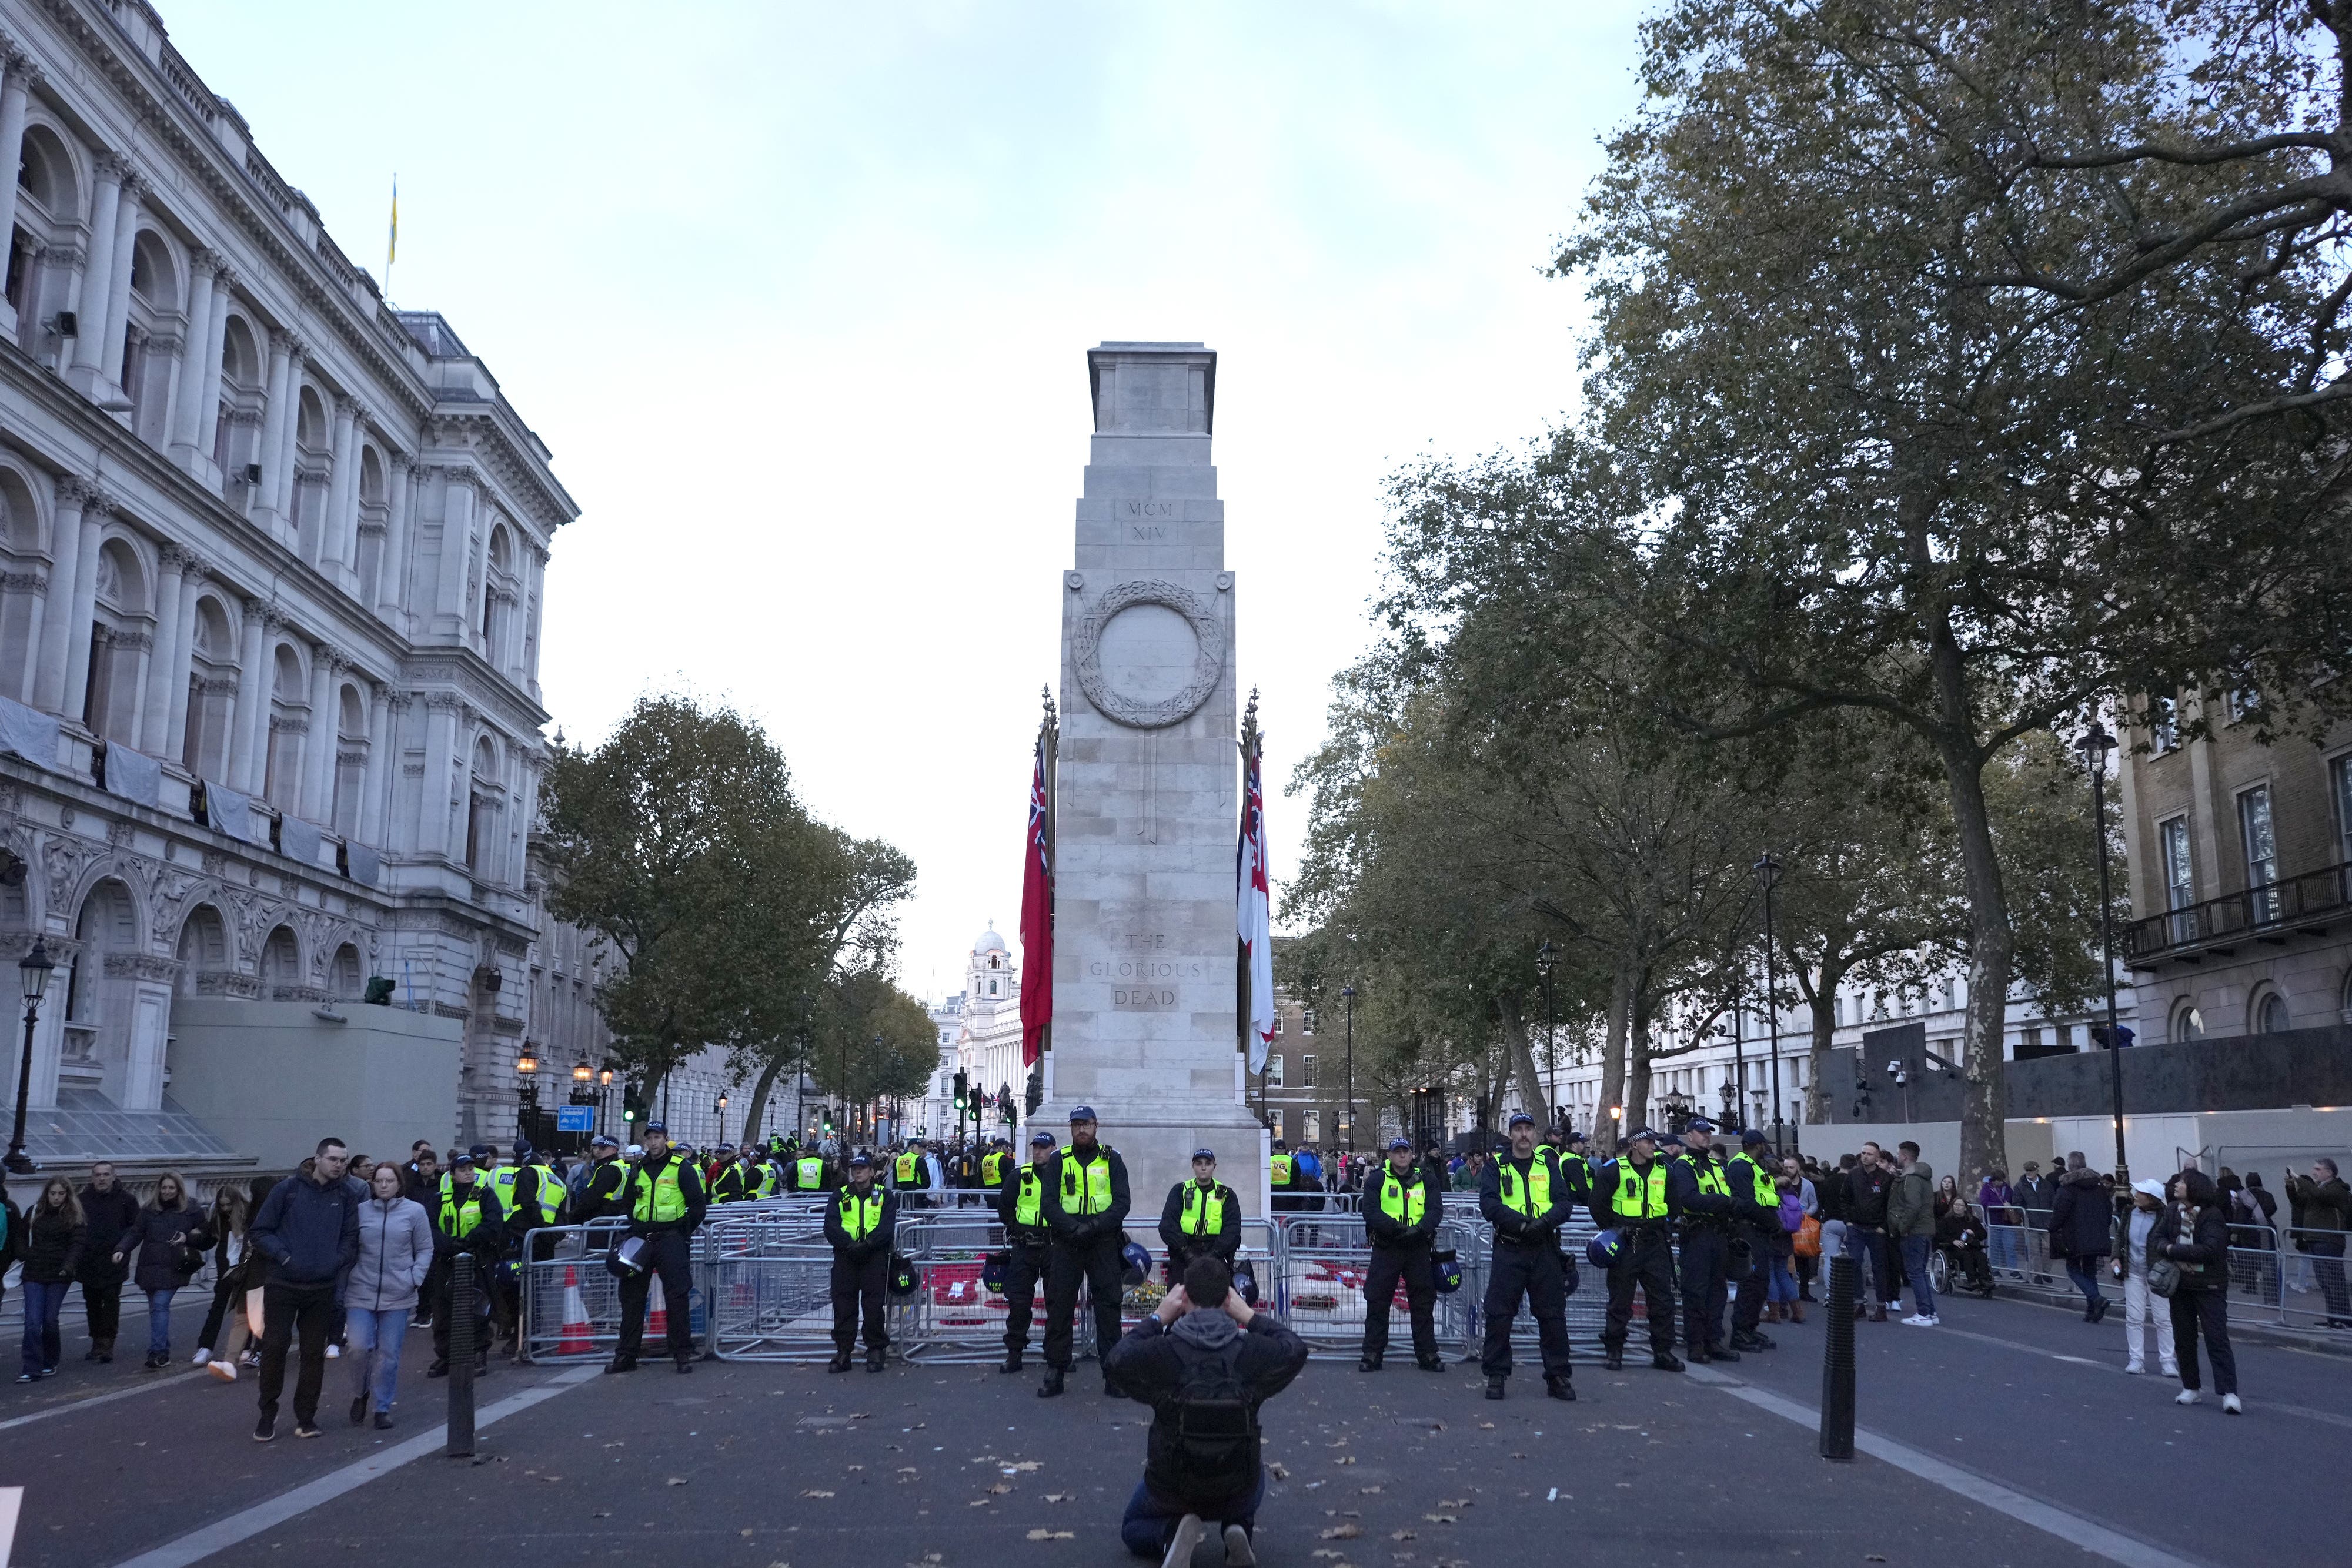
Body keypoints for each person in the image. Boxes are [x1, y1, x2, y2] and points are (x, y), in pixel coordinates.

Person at [1105, 1252, 1309, 1566]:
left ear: (1183, 1297)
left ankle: (1172, 1533)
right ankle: (1238, 1529)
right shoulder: (1250, 1353)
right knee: (1253, 1472)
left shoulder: (1163, 1353)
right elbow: (1295, 1350)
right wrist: (1250, 1317)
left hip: (1173, 1486)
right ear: (1228, 1299)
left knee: (1133, 1528)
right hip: (1237, 1484)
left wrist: (1158, 1317)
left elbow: (1116, 1362)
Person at [248, 1138, 362, 1441]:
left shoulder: (348, 1196)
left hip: (322, 1286)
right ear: (318, 1159)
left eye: (344, 1160)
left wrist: (335, 1262)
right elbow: (259, 1231)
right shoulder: (287, 1190)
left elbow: (351, 1238)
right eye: (334, 1159)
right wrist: (284, 1256)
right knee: (274, 1347)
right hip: (282, 1283)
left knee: (313, 1354)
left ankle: (306, 1417)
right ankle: (267, 1413)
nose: (339, 1165)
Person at [1477, 1111, 1576, 1400]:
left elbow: (1563, 1202)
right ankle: (1496, 1375)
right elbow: (1490, 1204)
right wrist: (1520, 1225)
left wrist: (1544, 1224)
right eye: (1517, 1129)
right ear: (1511, 1134)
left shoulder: (1549, 1164)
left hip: (1544, 1248)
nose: (1523, 1134)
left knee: (1553, 1315)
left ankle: (1558, 1376)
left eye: (1527, 1129)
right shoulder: (1496, 1166)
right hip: (1510, 1247)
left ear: (1535, 1134)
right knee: (1499, 1314)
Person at [1037, 1106, 1132, 1399]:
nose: (1081, 1130)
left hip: (1102, 1241)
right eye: (1076, 1125)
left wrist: (1093, 1227)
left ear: (1096, 1126)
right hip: (1067, 1242)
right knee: (1060, 1306)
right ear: (1070, 1128)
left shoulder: (1112, 1159)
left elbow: (1122, 1203)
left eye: (1086, 1124)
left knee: (1108, 1306)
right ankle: (1056, 1370)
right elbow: (1048, 1203)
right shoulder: (1058, 1160)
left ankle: (1113, 1374)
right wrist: (1072, 1228)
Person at [609, 1121, 707, 1374]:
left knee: (677, 1297)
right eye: (649, 1138)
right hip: (641, 1238)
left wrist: (683, 1232)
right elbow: (629, 1201)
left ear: (666, 1139)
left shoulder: (681, 1168)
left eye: (657, 1137)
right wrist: (636, 1225)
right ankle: (627, 1355)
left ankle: (682, 1354)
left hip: (671, 1238)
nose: (653, 1143)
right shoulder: (637, 1168)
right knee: (632, 1299)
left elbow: (697, 1205)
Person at [345, 1161, 432, 1429]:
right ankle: (361, 1393)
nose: (383, 1185)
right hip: (361, 1290)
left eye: (389, 1181)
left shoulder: (414, 1212)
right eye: (379, 1181)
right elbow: (347, 1247)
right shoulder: (359, 1212)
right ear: (372, 1184)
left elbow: (425, 1248)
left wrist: (414, 1278)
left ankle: (382, 1406)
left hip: (398, 1293)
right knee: (358, 1349)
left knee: (389, 1354)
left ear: (398, 1184)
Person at [1591, 1128, 1682, 1372]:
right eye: (1649, 1142)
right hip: (1626, 1244)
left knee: (1662, 1300)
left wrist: (1663, 1225)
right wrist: (1615, 1230)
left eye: (1655, 1142)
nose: (1654, 1146)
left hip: (1655, 1243)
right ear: (1634, 1145)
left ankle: (1663, 1351)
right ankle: (1614, 1350)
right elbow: (1597, 1205)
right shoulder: (1614, 1170)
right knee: (1620, 1301)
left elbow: (1674, 1205)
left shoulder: (1665, 1171)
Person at [1358, 1135, 1445, 1373]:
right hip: (1388, 1246)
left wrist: (1419, 1229)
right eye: (1397, 1152)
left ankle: (1428, 1354)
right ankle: (1372, 1353)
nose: (1402, 1156)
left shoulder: (1426, 1179)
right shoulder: (1378, 1179)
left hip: (1418, 1247)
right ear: (1390, 1155)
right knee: (1377, 1300)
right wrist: (1395, 1228)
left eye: (1406, 1151)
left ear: (1412, 1154)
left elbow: (1436, 1210)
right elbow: (1370, 1212)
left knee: (1423, 1302)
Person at [2156, 1168, 2240, 1412]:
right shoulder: (2172, 1210)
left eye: (2182, 1182)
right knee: (2183, 1338)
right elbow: (2157, 1238)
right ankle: (2191, 1387)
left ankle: (2230, 1393)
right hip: (2180, 1285)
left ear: (2194, 1188)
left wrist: (2172, 1250)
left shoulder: (2212, 1216)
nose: (2176, 1185)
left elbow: (2210, 1249)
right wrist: (2168, 1247)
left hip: (2209, 1285)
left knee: (2216, 1338)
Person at [115, 1171, 211, 1370]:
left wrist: (188, 1238)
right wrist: (121, 1249)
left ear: (179, 1190)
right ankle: (163, 1348)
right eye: (164, 1188)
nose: (167, 1192)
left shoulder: (192, 1210)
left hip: (174, 1266)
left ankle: (157, 1352)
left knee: (160, 1306)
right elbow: (135, 1233)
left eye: (171, 1188)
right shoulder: (149, 1210)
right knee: (156, 1309)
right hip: (150, 1266)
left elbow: (207, 1237)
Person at [1666, 1118, 1739, 1361]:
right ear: (1690, 1136)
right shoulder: (1683, 1165)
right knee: (1696, 1290)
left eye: (1709, 1132)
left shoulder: (1718, 1166)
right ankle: (1695, 1343)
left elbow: (1730, 1194)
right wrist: (1724, 1203)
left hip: (1719, 1233)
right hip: (1697, 1233)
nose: (1707, 1136)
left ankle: (1713, 1340)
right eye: (1701, 1133)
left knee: (1717, 1290)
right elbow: (1689, 1199)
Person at [426, 1150, 504, 1378]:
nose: (469, 1173)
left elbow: (493, 1223)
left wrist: (468, 1242)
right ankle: (445, 1355)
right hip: (447, 1261)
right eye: (463, 1170)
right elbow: (429, 1227)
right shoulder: (440, 1198)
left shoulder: (485, 1195)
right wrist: (450, 1245)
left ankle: (479, 1353)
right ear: (452, 1174)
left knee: (479, 1310)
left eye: (471, 1169)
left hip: (477, 1259)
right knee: (442, 1311)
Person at [824, 1151, 896, 1373]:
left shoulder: (885, 1195)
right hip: (846, 1256)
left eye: (862, 1169)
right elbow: (831, 1226)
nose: (858, 1172)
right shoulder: (840, 1195)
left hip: (874, 1256)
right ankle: (844, 1351)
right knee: (844, 1304)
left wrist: (868, 1245)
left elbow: (886, 1227)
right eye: (855, 1169)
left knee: (874, 1305)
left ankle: (875, 1349)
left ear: (872, 1172)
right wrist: (849, 1245)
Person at [995, 1130, 1057, 1374]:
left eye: (1043, 1147)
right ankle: (1015, 1353)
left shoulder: (1062, 1176)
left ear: (1053, 1149)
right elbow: (1005, 1207)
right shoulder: (1020, 1176)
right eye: (1035, 1148)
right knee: (1019, 1303)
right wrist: (1017, 1229)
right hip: (1025, 1246)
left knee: (1057, 1303)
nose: (1038, 1151)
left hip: (1053, 1246)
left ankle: (1056, 1354)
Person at [15, 1178, 83, 1383]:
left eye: (60, 1194)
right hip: (34, 1271)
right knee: (33, 1322)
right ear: (47, 1194)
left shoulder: (74, 1217)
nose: (56, 1198)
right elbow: (19, 1236)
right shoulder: (34, 1212)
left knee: (50, 1320)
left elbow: (77, 1244)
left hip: (59, 1274)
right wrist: (25, 1254)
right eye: (53, 1193)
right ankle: (31, 1367)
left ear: (67, 1195)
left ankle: (50, 1360)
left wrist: (68, 1266)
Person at [74, 1161, 140, 1365]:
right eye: (98, 1175)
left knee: (111, 1300)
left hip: (114, 1259)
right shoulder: (82, 1200)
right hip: (89, 1260)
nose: (101, 1179)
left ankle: (108, 1342)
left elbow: (135, 1228)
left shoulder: (127, 1200)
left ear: (114, 1176)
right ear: (92, 1177)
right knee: (92, 1302)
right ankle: (96, 1340)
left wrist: (122, 1247)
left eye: (105, 1174)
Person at [1725, 1130, 1783, 1351]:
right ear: (1759, 1145)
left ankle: (1749, 1328)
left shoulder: (1753, 1165)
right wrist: (1772, 1221)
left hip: (1760, 1229)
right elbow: (1747, 1202)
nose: (1766, 1149)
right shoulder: (1741, 1166)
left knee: (1760, 1283)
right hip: (1750, 1230)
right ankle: (1740, 1332)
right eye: (1764, 1145)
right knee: (1752, 1282)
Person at [2114, 1178, 2177, 1378]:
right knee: (2134, 1317)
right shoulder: (2129, 1212)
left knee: (2163, 1319)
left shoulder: (2165, 1217)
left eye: (2140, 1192)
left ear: (2151, 1199)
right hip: (2132, 1271)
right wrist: (2116, 1257)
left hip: (2158, 1274)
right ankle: (2136, 1359)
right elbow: (2120, 1237)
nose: (2135, 1194)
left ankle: (2168, 1361)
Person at [2047, 1151, 2114, 1323]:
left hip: (2074, 1236)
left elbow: (2060, 1212)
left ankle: (2096, 1299)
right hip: (2096, 1234)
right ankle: (2092, 1310)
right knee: (2090, 1271)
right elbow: (2108, 1211)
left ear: (2070, 1166)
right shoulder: (2099, 1187)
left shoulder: (2067, 1188)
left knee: (2073, 1270)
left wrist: (2051, 1227)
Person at [2284, 1157, 2349, 1328]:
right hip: (2315, 1240)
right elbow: (2298, 1201)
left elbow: (2319, 1195)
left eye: (2318, 1169)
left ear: (2330, 1172)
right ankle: (2333, 1319)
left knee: (2334, 1281)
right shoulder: (2318, 1188)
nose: (2314, 1172)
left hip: (2329, 1241)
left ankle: (2344, 1320)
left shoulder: (2338, 1189)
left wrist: (2298, 1178)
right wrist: (2291, 1186)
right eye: (2314, 1169)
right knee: (2325, 1282)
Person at [1160, 1149, 1242, 1281]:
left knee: (1215, 1300)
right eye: (1199, 1164)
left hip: (1216, 1256)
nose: (1203, 1168)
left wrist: (1212, 1255)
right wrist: (1187, 1254)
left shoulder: (1227, 1194)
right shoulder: (1180, 1191)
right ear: (1193, 1166)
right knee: (1180, 1300)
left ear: (1214, 1166)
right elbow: (1167, 1226)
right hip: (1183, 1256)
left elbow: (1232, 1229)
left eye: (1208, 1164)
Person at [1886, 1140, 1939, 1328]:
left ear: (1905, 1157)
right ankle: (1930, 1312)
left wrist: (1902, 1227)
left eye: (1899, 1154)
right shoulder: (1919, 1176)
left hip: (1914, 1232)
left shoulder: (1912, 1179)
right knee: (1920, 1271)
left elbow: (1913, 1205)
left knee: (1915, 1272)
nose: (1897, 1157)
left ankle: (1924, 1313)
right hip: (1924, 1230)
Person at [576, 1133, 629, 1222]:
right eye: (598, 1148)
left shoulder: (609, 1169)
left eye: (603, 1149)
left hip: (603, 1216)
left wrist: (575, 1214)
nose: (599, 1151)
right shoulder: (621, 1165)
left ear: (614, 1150)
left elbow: (593, 1196)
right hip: (615, 1214)